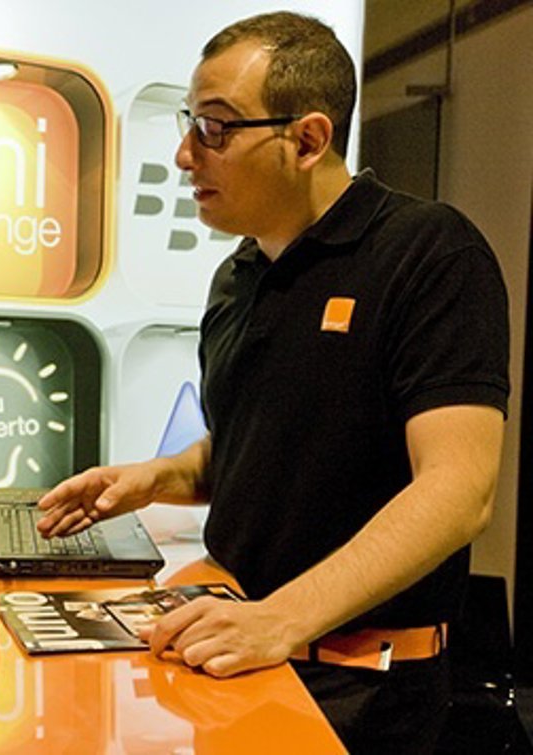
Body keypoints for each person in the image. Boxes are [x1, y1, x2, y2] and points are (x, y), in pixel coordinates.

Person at [37, 11, 508, 752]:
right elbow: (259, 445)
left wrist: (280, 618)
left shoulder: (431, 253)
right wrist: (152, 479)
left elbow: (459, 490)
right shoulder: (239, 274)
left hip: (360, 686)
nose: (186, 155)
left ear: (308, 140)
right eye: (190, 123)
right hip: (229, 645)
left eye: (215, 128)